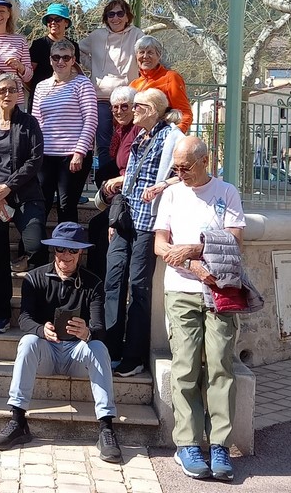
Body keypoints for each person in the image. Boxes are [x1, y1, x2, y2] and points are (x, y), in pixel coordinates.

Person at [0, 221, 122, 464]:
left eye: (72, 250)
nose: (66, 255)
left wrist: (87, 333)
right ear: (54, 250)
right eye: (61, 249)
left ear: (80, 253)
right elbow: (24, 318)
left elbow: (100, 328)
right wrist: (42, 330)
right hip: (47, 350)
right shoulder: (34, 278)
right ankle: (17, 420)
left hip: (77, 353)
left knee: (99, 347)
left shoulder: (93, 283)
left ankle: (106, 427)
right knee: (28, 342)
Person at [154, 135, 246, 482]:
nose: (179, 174)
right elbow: (160, 244)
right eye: (175, 168)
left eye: (185, 167)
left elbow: (235, 239)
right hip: (181, 289)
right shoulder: (172, 194)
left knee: (221, 364)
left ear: (205, 161)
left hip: (219, 289)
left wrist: (193, 249)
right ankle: (188, 444)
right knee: (186, 366)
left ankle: (220, 444)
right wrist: (191, 264)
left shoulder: (226, 192)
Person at [103, 88, 182, 378]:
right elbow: (134, 176)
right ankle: (109, 349)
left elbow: (186, 172)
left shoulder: (172, 137)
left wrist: (162, 185)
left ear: (155, 110)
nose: (133, 109)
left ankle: (133, 356)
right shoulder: (140, 135)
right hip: (126, 219)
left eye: (138, 105)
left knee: (138, 288)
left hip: (148, 223)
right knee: (113, 280)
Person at [0, 73, 47, 334]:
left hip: (25, 194)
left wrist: (8, 187)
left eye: (12, 90)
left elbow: (35, 160)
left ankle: (37, 310)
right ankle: (1, 314)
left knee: (36, 246)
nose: (7, 94)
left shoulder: (29, 123)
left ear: (18, 95)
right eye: (1, 90)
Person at [79, 0, 145, 186]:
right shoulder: (97, 36)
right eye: (111, 14)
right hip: (101, 97)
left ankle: (126, 180)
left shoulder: (137, 34)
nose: (115, 18)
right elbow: (78, 50)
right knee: (104, 143)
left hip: (127, 99)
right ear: (106, 18)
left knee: (129, 140)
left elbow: (147, 52)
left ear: (127, 16)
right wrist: (93, 67)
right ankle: (106, 184)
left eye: (120, 13)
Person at [32, 38, 98, 223]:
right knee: (41, 202)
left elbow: (91, 120)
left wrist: (79, 153)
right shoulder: (41, 87)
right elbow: (36, 122)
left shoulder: (83, 84)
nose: (60, 61)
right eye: (56, 57)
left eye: (66, 57)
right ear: (50, 59)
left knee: (66, 205)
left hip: (72, 156)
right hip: (46, 155)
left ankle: (67, 242)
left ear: (73, 60)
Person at [86, 85, 139, 279]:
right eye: (114, 107)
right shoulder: (120, 131)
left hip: (132, 196)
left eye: (124, 106)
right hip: (119, 192)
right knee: (95, 225)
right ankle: (94, 282)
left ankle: (100, 282)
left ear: (135, 107)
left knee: (101, 230)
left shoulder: (138, 131)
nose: (118, 111)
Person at [131, 35, 193, 133]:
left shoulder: (171, 78)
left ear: (158, 55)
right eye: (141, 52)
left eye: (150, 52)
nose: (145, 56)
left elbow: (184, 113)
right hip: (137, 135)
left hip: (161, 132)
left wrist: (174, 134)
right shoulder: (134, 84)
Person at [27, 2, 80, 104]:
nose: (53, 22)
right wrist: (36, 90)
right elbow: (28, 75)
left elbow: (75, 73)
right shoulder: (38, 44)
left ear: (66, 23)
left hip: (66, 98)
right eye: (49, 19)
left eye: (58, 19)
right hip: (41, 98)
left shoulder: (74, 46)